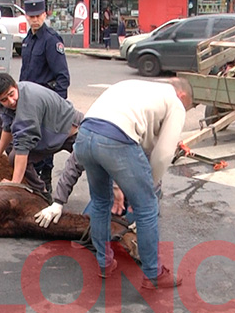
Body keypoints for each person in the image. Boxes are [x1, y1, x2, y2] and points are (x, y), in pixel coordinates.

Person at [73, 78, 194, 288]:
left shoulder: (134, 86)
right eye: (187, 108)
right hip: (115, 139)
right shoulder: (175, 102)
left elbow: (140, 137)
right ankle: (153, 274)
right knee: (147, 207)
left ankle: (104, 263)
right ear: (182, 96)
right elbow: (164, 154)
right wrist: (150, 185)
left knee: (101, 202)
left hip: (85, 136)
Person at [0, 73, 82, 197]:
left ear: (15, 86)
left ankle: (109, 198)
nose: (11, 101)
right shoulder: (7, 104)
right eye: (4, 100)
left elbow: (23, 148)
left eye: (11, 94)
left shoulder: (28, 103)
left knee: (95, 165)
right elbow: (7, 127)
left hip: (73, 132)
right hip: (50, 135)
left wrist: (15, 183)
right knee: (14, 158)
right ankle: (42, 194)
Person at [19, 0, 70, 194]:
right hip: (28, 101)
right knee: (29, 138)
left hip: (47, 101)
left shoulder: (51, 39)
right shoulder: (27, 40)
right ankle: (31, 179)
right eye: (31, 17)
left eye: (38, 16)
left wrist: (58, 106)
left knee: (45, 141)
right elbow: (25, 72)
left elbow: (63, 77)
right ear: (26, 17)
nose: (35, 20)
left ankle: (45, 179)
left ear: (45, 15)